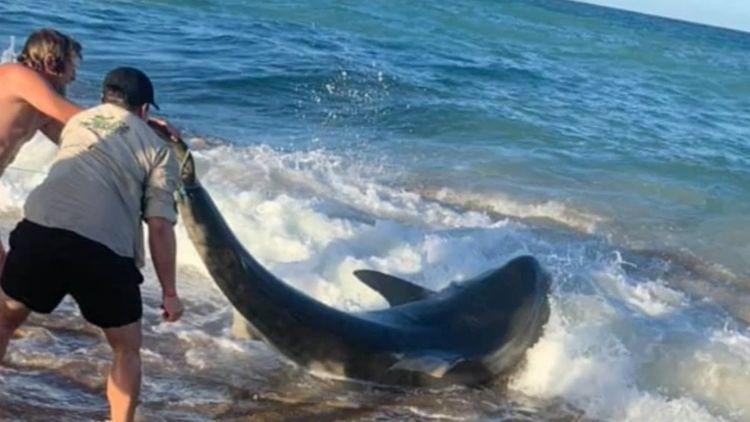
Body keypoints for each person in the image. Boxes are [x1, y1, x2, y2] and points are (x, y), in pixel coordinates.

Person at [0, 66, 185, 422]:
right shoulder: (159, 150)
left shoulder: (77, 122)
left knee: (5, 322)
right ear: (145, 110)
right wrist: (170, 292)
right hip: (104, 253)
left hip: (41, 232)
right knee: (126, 349)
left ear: (105, 98)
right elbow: (160, 227)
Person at [0, 28, 85, 273]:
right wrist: (130, 121)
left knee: (6, 276)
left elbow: (79, 137)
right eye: (72, 66)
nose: (74, 77)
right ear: (51, 61)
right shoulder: (17, 75)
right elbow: (78, 117)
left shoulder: (40, 108)